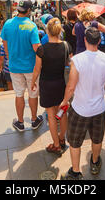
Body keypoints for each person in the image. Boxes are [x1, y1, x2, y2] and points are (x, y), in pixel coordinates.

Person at [60, 27, 105, 180]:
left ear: (85, 40)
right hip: (99, 109)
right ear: (99, 41)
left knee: (75, 141)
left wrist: (64, 101)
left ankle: (76, 172)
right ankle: (95, 162)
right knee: (97, 138)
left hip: (79, 109)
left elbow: (71, 87)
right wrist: (99, 85)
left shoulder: (77, 60)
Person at [31, 18, 72, 156]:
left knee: (51, 116)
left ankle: (55, 145)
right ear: (60, 31)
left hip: (47, 85)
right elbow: (71, 65)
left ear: (47, 31)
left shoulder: (42, 50)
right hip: (61, 84)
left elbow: (37, 69)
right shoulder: (66, 46)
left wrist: (32, 82)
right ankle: (62, 139)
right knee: (62, 113)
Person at [1, 0, 43, 132]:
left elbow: (5, 44)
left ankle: (20, 122)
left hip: (14, 66)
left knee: (19, 94)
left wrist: (9, 58)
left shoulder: (7, 24)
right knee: (33, 94)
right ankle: (34, 119)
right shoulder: (31, 26)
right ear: (29, 11)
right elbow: (37, 48)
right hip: (30, 67)